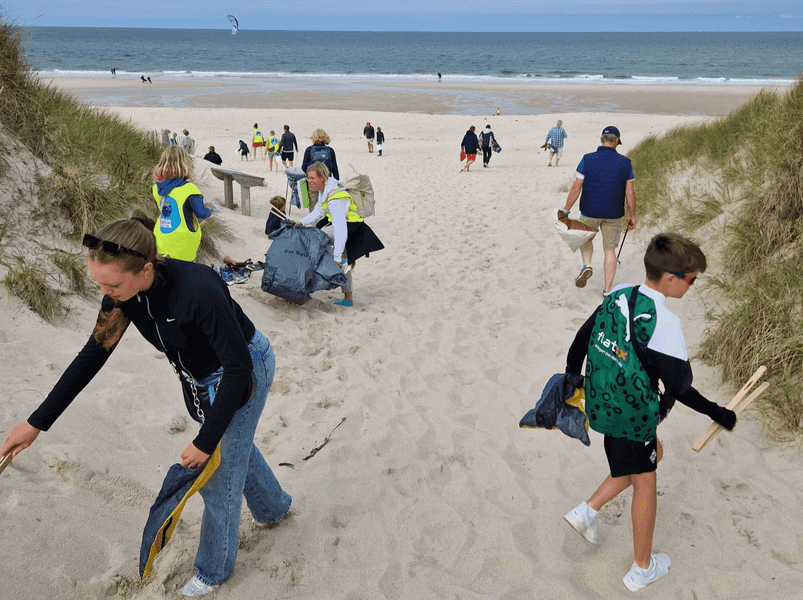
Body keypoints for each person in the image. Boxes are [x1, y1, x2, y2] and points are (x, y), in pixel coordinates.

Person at [1, 214, 291, 597]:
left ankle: (213, 571)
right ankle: (274, 508)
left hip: (243, 370)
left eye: (113, 284)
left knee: (218, 473)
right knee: (235, 448)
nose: (106, 293)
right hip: (203, 379)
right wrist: (36, 423)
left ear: (146, 268)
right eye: (99, 283)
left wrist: (204, 442)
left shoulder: (198, 289)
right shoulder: (124, 297)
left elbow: (239, 370)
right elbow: (92, 355)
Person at [563, 233, 737, 592]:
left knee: (648, 454)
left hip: (602, 403)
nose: (692, 286)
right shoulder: (665, 324)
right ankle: (642, 568)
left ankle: (587, 512)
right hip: (632, 415)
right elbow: (680, 388)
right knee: (646, 480)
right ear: (671, 279)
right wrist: (718, 412)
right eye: (691, 280)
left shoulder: (618, 296)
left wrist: (571, 380)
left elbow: (581, 339)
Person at [561, 125, 636, 296]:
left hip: (589, 211)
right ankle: (607, 290)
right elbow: (630, 193)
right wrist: (632, 215)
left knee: (586, 239)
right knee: (610, 249)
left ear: (602, 140)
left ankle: (587, 265)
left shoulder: (587, 159)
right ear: (616, 141)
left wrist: (566, 210)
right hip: (614, 214)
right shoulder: (625, 163)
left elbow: (576, 188)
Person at [296, 162, 383, 307]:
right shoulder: (325, 189)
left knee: (315, 242)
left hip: (351, 228)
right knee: (344, 261)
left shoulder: (336, 199)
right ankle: (348, 299)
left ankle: (308, 288)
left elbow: (340, 229)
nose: (309, 181)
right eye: (308, 178)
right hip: (345, 225)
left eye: (312, 178)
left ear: (322, 178)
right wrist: (301, 222)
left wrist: (336, 256)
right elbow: (318, 211)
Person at [152, 145, 212, 262]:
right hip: (183, 242)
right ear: (185, 164)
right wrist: (209, 208)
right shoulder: (190, 189)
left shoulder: (156, 188)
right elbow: (201, 214)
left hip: (162, 237)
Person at [300, 129, 339, 212]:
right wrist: (337, 182)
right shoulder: (330, 150)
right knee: (325, 204)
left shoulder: (309, 150)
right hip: (326, 181)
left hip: (312, 181)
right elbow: (335, 168)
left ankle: (314, 223)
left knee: (313, 204)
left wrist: (304, 183)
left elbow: (303, 168)